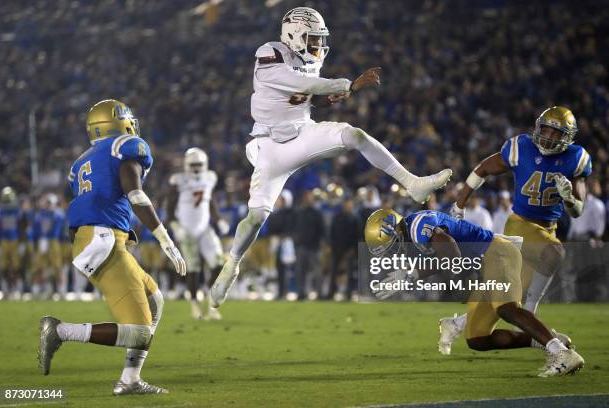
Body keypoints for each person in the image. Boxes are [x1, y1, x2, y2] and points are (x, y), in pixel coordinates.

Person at [209, 7, 452, 307]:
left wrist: (329, 99)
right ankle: (232, 264)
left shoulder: (310, 61)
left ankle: (412, 183)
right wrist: (348, 85)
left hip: (303, 133)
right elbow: (302, 85)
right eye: (312, 38)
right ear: (293, 35)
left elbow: (308, 98)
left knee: (354, 135)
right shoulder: (269, 53)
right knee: (257, 216)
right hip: (269, 145)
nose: (318, 46)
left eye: (320, 39)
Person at [38, 99, 186, 395]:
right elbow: (136, 196)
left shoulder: (82, 161)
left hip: (93, 238)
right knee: (141, 331)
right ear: (120, 122)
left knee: (155, 301)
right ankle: (60, 331)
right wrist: (165, 239)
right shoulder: (126, 146)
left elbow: (84, 203)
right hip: (103, 239)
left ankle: (130, 379)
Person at [364, 209, 584, 377]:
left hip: (496, 252)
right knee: (478, 338)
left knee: (507, 308)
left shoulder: (417, 226)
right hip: (486, 261)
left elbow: (449, 249)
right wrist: (412, 274)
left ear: (393, 230)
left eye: (390, 245)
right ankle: (550, 340)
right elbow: (444, 255)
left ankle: (562, 354)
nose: (392, 251)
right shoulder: (413, 232)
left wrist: (459, 281)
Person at [442, 107, 592, 346]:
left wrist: (570, 199)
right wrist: (460, 204)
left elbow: (577, 211)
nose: (549, 137)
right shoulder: (521, 148)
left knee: (501, 305)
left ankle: (459, 323)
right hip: (520, 225)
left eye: (556, 133)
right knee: (553, 252)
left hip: (546, 230)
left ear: (567, 137)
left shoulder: (576, 158)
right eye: (546, 130)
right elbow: (482, 169)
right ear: (538, 127)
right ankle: (531, 316)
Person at [167, 147, 228, 320]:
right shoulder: (178, 180)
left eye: (198, 164)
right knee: (193, 268)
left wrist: (218, 219)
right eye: (192, 164)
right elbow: (169, 206)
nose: (195, 168)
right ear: (187, 164)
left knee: (218, 264)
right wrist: (174, 225)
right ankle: (194, 303)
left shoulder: (210, 177)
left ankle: (210, 299)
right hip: (186, 229)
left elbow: (209, 201)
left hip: (204, 228)